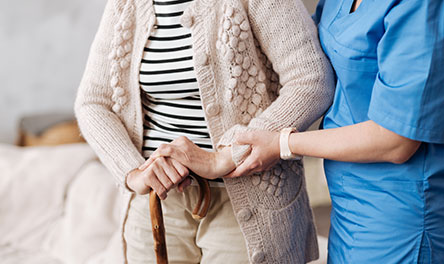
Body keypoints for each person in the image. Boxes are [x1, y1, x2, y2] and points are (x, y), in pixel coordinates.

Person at [74, 0, 335, 263]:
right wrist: (132, 170)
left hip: (248, 198)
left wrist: (230, 154)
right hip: (157, 205)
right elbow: (93, 102)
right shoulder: (125, 4)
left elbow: (311, 80)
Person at [211, 0, 444, 263]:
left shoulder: (421, 5)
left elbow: (395, 141)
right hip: (348, 204)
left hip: (401, 210)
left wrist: (283, 143)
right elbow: (304, 57)